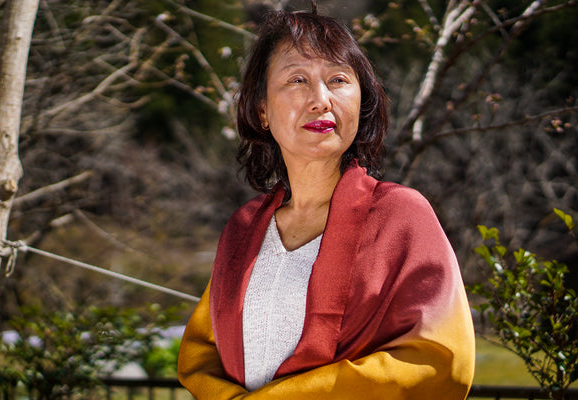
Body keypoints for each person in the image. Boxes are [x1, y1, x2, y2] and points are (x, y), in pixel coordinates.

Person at [177, 6, 475, 400]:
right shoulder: (244, 229)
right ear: (262, 109)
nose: (321, 100)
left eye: (338, 79)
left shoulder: (400, 215)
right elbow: (201, 355)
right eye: (297, 79)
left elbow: (440, 359)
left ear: (360, 102)